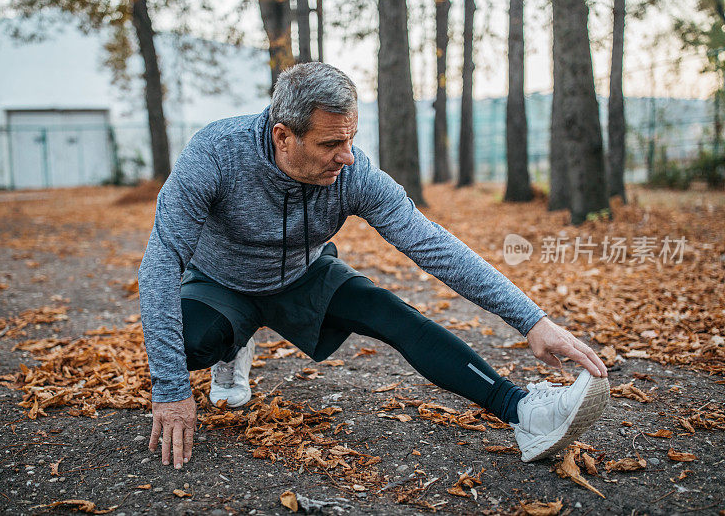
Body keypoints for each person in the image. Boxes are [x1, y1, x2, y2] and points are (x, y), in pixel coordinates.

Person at [137, 62, 609, 471]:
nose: (346, 156)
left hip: (304, 274)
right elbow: (161, 262)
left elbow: (433, 245)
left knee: (392, 313)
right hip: (222, 282)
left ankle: (524, 411)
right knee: (188, 343)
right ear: (283, 136)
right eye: (329, 144)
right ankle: (230, 349)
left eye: (351, 139)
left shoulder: (353, 172)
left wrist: (533, 319)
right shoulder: (215, 155)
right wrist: (172, 391)